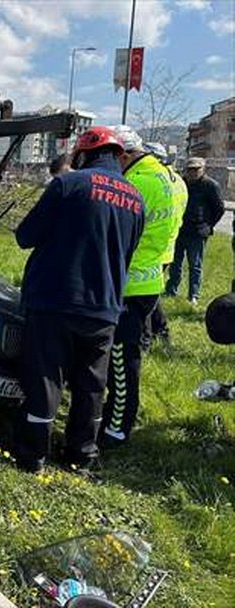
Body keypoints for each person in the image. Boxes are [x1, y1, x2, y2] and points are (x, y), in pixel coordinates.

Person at [13, 126, 144, 472]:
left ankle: (33, 456)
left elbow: (25, 236)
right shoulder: (135, 198)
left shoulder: (69, 185)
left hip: (55, 300)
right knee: (91, 387)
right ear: (118, 156)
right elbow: (127, 252)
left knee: (45, 379)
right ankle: (81, 456)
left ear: (83, 155)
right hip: (105, 307)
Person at [101, 126, 188, 445]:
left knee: (122, 363)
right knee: (127, 353)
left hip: (130, 283)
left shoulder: (135, 184)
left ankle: (116, 428)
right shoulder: (173, 179)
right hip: (152, 277)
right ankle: (115, 419)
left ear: (124, 155)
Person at [165, 157, 225, 304]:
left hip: (198, 232)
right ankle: (171, 289)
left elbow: (219, 208)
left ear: (203, 169)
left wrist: (209, 225)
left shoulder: (210, 185)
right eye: (190, 169)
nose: (192, 173)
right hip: (179, 229)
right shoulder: (180, 182)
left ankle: (193, 295)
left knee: (195, 264)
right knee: (175, 262)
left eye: (196, 169)